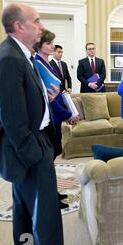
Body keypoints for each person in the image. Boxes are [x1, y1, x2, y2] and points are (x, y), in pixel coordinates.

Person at [0, 3, 67, 245]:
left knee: (24, 217)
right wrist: (37, 157)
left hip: (28, 148)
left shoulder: (21, 54)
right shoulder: (10, 58)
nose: (41, 27)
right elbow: (11, 119)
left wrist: (47, 98)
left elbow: (22, 101)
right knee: (46, 223)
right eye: (37, 21)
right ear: (20, 26)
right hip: (28, 153)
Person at [33, 30, 80, 209]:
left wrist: (69, 112)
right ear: (39, 46)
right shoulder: (37, 64)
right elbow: (49, 99)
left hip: (56, 118)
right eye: (49, 43)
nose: (53, 46)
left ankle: (53, 193)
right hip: (48, 119)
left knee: (51, 160)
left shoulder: (49, 64)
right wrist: (68, 114)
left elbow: (58, 94)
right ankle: (48, 198)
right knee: (46, 162)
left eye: (53, 42)